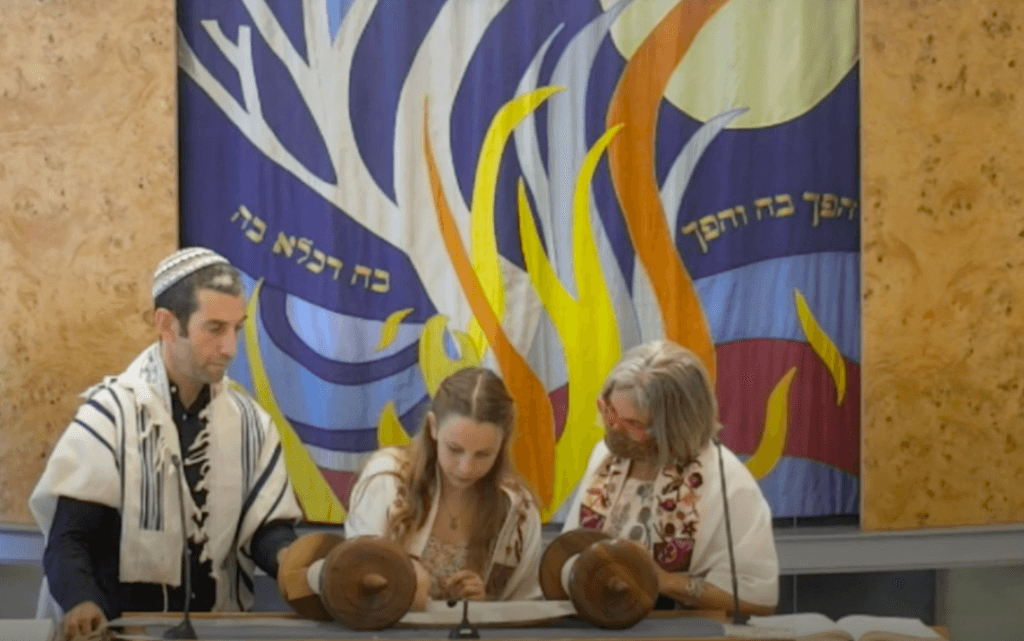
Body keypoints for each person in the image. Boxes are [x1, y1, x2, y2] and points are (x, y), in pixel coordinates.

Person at [30, 247, 302, 639]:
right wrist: (81, 601)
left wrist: (294, 561)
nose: (230, 348)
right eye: (214, 329)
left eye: (237, 329)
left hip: (212, 630)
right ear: (167, 324)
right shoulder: (111, 417)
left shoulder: (250, 424)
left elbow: (263, 530)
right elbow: (70, 540)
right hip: (121, 631)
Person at [562, 340, 779, 615]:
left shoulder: (728, 482)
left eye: (633, 424)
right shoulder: (606, 455)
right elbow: (568, 553)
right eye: (609, 412)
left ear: (675, 427)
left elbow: (758, 599)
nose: (614, 430)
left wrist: (665, 581)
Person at [344, 367, 543, 606]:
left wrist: (485, 602)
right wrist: (402, 583)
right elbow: (352, 578)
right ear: (433, 427)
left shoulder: (517, 509)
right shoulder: (388, 479)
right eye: (454, 449)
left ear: (503, 443)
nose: (465, 468)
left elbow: (524, 610)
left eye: (483, 454)